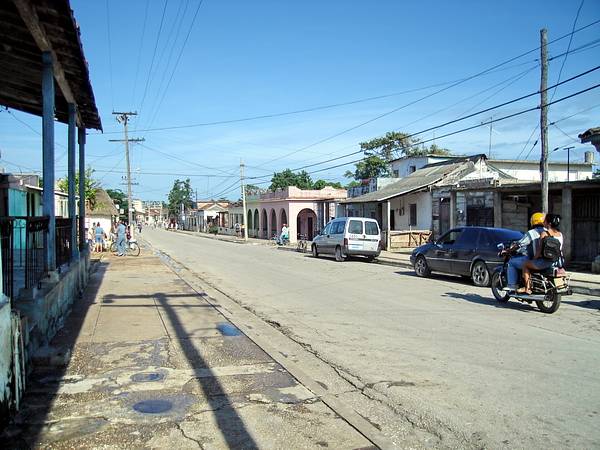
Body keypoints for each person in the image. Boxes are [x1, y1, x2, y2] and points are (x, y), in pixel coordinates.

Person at [518, 213, 563, 294]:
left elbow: (539, 251)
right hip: (556, 262)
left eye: (545, 221)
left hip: (544, 262)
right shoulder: (560, 235)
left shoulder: (544, 234)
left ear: (549, 223)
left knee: (525, 265)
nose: (543, 222)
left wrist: (533, 259)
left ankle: (527, 288)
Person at [505, 212, 545, 291]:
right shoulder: (547, 231)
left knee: (511, 262)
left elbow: (519, 244)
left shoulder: (531, 233)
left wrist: (509, 250)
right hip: (546, 259)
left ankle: (512, 285)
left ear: (532, 221)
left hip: (534, 260)